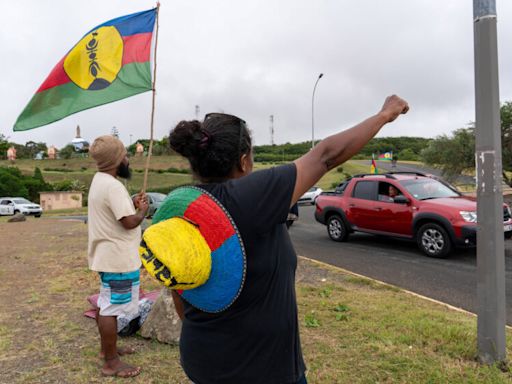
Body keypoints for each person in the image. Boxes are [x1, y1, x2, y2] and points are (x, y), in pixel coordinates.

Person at [162, 95, 408, 384]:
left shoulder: (178, 207)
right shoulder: (248, 198)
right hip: (263, 369)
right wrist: (384, 115)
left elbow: (178, 288)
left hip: (202, 359)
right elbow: (326, 155)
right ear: (243, 162)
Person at [88, 135, 149, 378]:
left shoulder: (101, 180)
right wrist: (142, 210)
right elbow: (129, 222)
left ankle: (107, 350)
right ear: (116, 159)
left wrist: (132, 204)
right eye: (124, 154)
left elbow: (118, 212)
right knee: (112, 308)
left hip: (107, 256)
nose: (128, 159)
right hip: (117, 259)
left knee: (106, 304)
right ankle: (111, 362)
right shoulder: (113, 186)